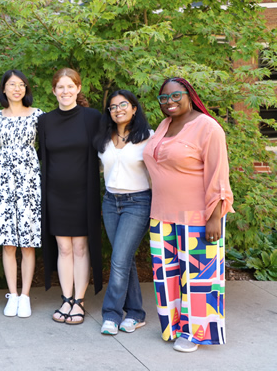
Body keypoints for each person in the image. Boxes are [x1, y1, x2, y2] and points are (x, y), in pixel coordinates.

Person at [143, 77, 234, 353]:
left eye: (175, 96)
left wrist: (215, 216)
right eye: (163, 99)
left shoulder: (207, 127)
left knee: (198, 278)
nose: (169, 102)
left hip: (198, 215)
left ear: (189, 95)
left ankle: (196, 334)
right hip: (161, 215)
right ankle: (174, 326)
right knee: (166, 275)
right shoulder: (164, 125)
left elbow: (218, 175)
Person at [38, 68, 103, 325]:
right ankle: (66, 298)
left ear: (78, 88)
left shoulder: (92, 117)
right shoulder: (45, 121)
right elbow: (43, 157)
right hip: (55, 194)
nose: (65, 91)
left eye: (70, 86)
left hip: (84, 193)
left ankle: (79, 301)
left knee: (80, 246)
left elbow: (104, 153)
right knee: (63, 248)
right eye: (60, 87)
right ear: (53, 91)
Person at [93, 90, 153, 335]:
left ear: (134, 108)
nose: (118, 109)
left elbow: (160, 170)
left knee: (118, 260)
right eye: (113, 107)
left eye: (123, 104)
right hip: (110, 202)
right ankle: (136, 313)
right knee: (123, 260)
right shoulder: (104, 138)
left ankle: (111, 314)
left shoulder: (148, 136)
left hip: (137, 202)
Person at [0, 70, 43, 318]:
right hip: (3, 181)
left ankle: (25, 296)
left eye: (21, 85)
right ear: (3, 89)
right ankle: (12, 295)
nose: (17, 89)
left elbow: (47, 149)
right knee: (8, 242)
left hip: (30, 180)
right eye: (12, 84)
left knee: (29, 242)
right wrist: (6, 156)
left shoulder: (38, 116)